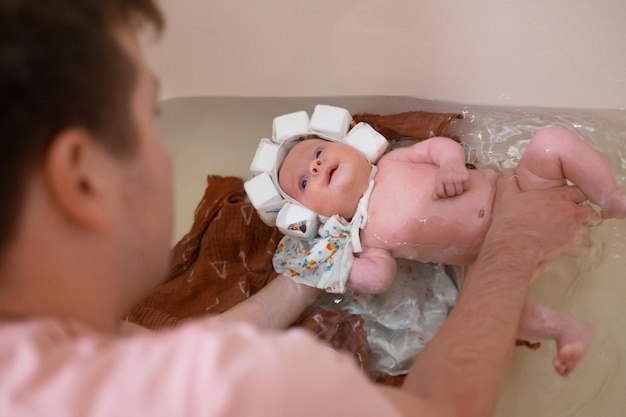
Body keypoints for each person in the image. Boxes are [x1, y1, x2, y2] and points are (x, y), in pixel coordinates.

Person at [0, 1, 593, 416]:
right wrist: (511, 245)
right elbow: (445, 409)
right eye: (149, 119)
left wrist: (303, 278)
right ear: (82, 179)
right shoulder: (227, 389)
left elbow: (156, 349)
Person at [277, 126, 619, 376]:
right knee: (493, 312)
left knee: (550, 141)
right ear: (311, 216)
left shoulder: (394, 161)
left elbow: (438, 148)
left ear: (351, 145)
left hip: (521, 186)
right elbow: (381, 277)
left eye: (318, 153)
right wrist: (343, 266)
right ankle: (563, 328)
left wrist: (452, 166)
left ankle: (609, 196)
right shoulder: (365, 237)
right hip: (497, 256)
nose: (317, 167)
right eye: (304, 183)